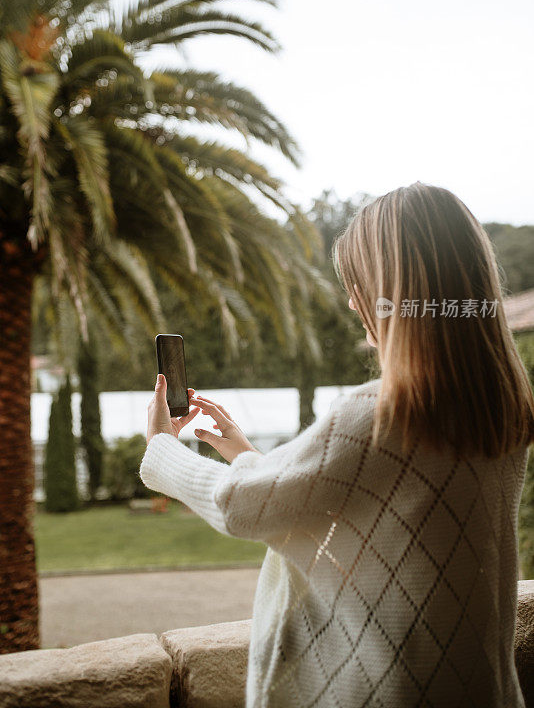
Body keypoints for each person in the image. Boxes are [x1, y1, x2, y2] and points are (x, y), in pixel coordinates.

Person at [140, 181, 533, 707]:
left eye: (358, 283)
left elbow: (243, 507)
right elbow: (365, 499)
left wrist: (162, 449)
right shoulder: (500, 405)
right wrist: (247, 455)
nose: (351, 301)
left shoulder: (379, 414)